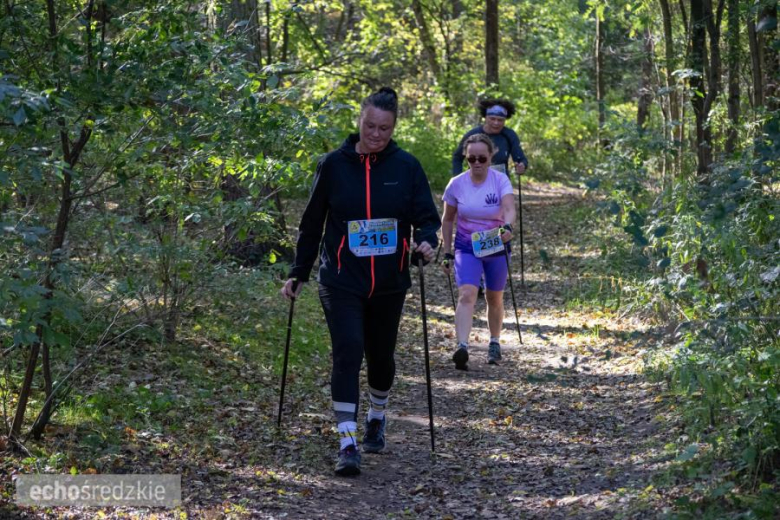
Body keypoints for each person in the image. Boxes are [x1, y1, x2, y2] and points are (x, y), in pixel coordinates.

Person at [281, 87, 440, 477]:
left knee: (381, 357)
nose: (376, 134)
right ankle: (347, 442)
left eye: (384, 128)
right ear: (359, 121)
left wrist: (427, 240)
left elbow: (428, 218)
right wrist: (298, 272)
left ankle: (377, 416)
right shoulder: (333, 165)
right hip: (341, 279)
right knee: (348, 351)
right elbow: (312, 223)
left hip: (389, 281)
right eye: (370, 126)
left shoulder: (407, 167)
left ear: (394, 127)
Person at [441, 133, 516, 370]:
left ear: (490, 156)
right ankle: (462, 346)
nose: (476, 163)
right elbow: (447, 219)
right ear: (466, 158)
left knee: (494, 297)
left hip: (496, 244)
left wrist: (508, 226)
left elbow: (509, 208)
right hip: (467, 246)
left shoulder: (500, 180)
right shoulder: (456, 184)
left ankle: (494, 341)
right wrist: (447, 252)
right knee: (467, 294)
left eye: (481, 158)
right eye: (471, 158)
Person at [452, 98, 529, 177]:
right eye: (492, 119)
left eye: (500, 120)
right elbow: (457, 158)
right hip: (475, 182)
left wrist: (522, 166)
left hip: (501, 183)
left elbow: (521, 159)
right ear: (485, 117)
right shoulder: (473, 134)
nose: (496, 123)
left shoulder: (509, 135)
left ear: (505, 120)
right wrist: (458, 178)